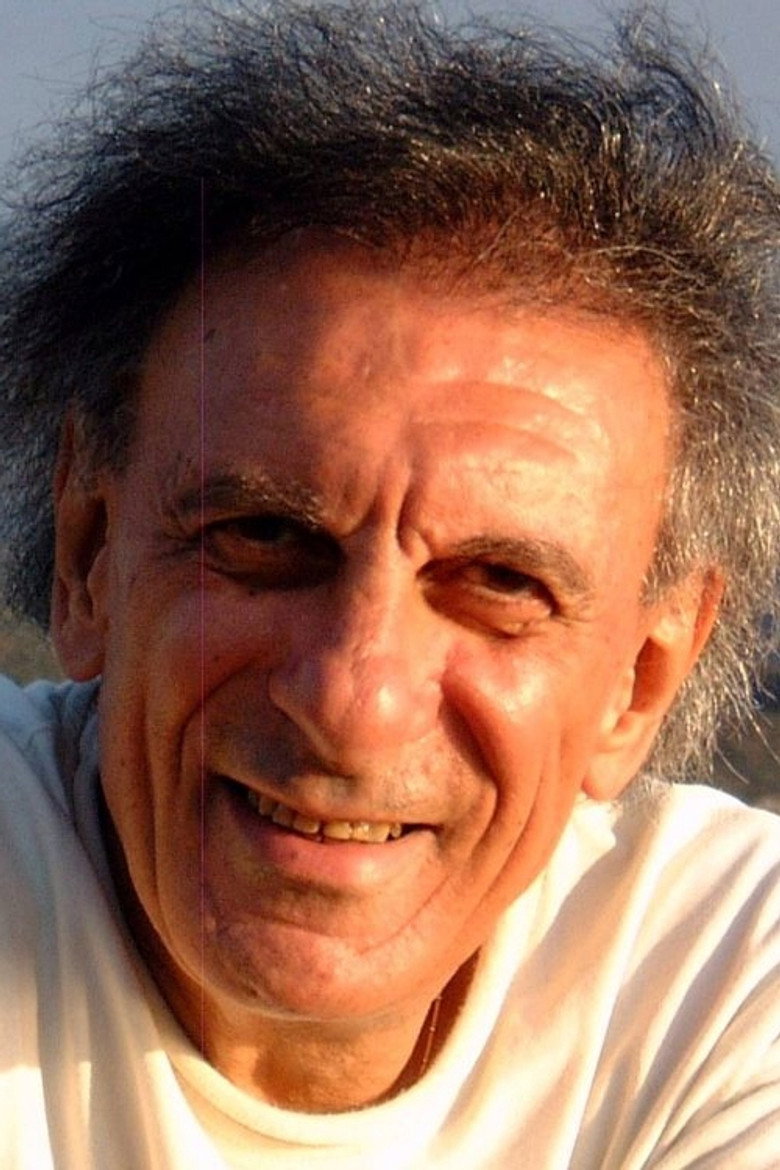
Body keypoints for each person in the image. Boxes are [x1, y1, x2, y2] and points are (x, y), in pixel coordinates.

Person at [0, 1, 779, 1165]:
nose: (352, 697)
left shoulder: (725, 985)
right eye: (266, 534)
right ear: (90, 556)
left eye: (501, 582)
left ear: (642, 678)